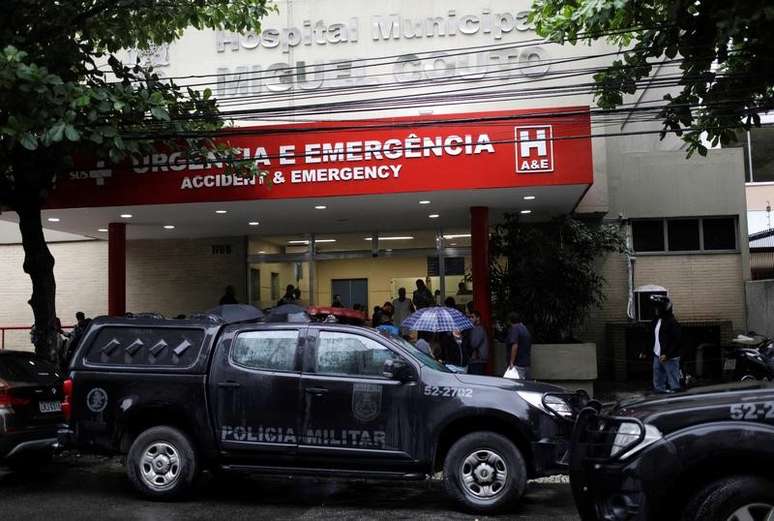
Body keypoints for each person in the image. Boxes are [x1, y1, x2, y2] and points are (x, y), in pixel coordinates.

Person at [651, 295, 682, 393]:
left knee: (674, 383)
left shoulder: (672, 322)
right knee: (658, 383)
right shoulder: (657, 320)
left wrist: (667, 354)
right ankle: (660, 398)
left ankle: (676, 403)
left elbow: (677, 341)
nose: (656, 310)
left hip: (670, 358)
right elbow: (654, 337)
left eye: (658, 308)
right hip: (657, 355)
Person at [505, 312, 532, 380]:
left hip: (517, 364)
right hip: (526, 363)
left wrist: (511, 362)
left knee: (516, 385)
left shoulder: (515, 329)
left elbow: (515, 345)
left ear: (510, 321)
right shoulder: (525, 328)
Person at [464, 310, 489, 375]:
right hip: (476, 359)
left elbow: (474, 343)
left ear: (478, 318)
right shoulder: (476, 328)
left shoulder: (478, 329)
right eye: (469, 317)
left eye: (472, 317)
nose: (470, 319)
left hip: (477, 359)